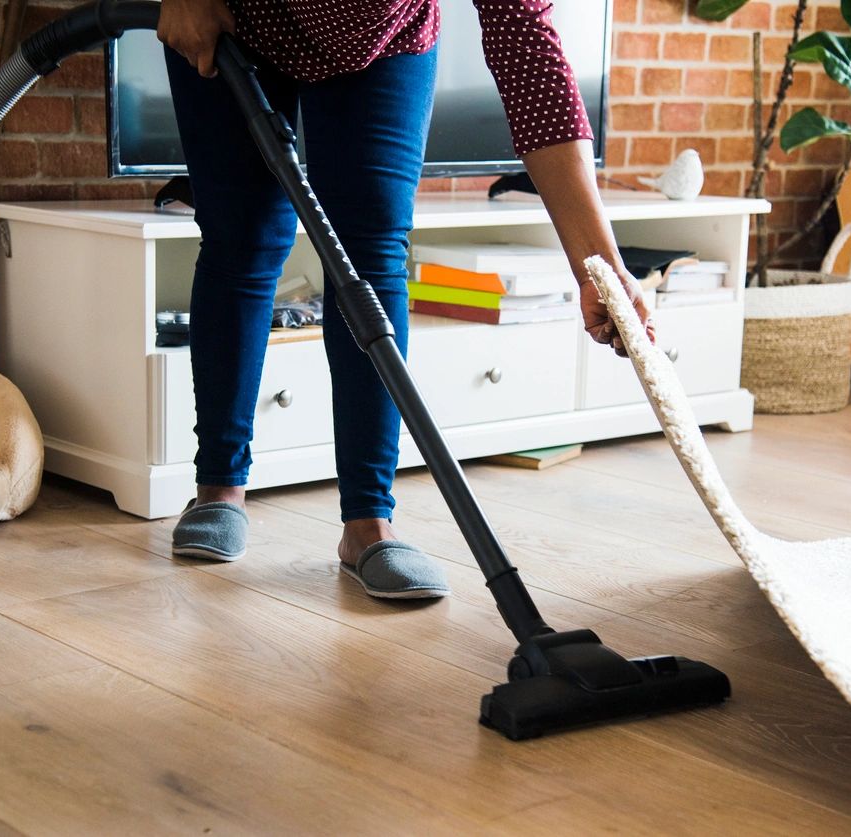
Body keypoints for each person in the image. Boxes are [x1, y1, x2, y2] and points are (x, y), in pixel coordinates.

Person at [160, 0, 654, 599]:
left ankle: (368, 523)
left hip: (381, 38)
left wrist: (597, 267)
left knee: (369, 255)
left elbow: (531, 62)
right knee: (242, 239)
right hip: (237, 15)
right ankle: (218, 488)